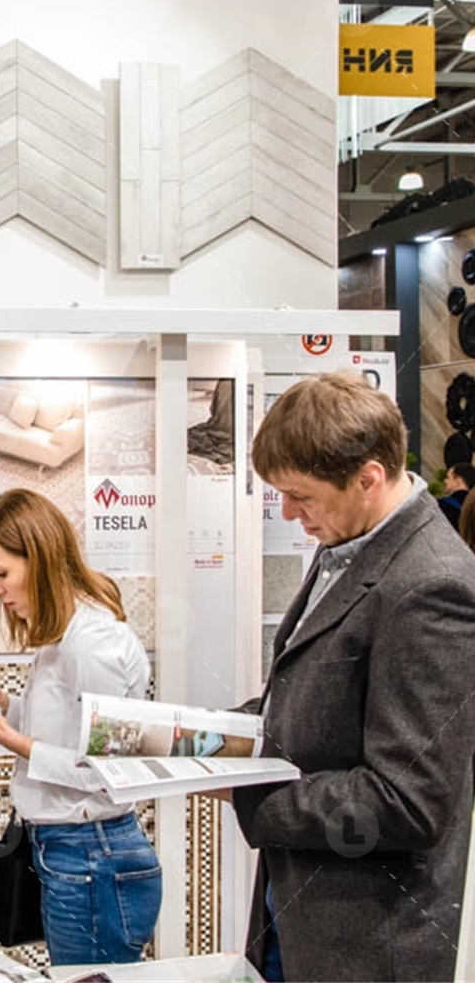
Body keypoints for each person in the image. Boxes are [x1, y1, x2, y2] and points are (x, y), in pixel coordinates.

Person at [229, 373, 475, 981]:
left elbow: (408, 802)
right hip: (303, 913)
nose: (289, 513)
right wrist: (213, 738)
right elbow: (323, 699)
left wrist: (248, 791)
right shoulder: (352, 540)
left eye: (300, 496)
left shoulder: (432, 585)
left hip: (369, 941)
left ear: (368, 478)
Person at [0, 487, 160, 967]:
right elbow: (63, 734)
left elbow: (105, 771)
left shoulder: (92, 646)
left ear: (40, 558)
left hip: (92, 854)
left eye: (0, 573)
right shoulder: (62, 637)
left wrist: (1, 735)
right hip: (71, 851)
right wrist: (0, 704)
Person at [439, 461, 474, 527]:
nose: (445, 481)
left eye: (448, 477)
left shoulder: (442, 506)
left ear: (458, 480)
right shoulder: (472, 509)